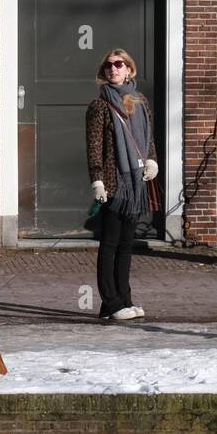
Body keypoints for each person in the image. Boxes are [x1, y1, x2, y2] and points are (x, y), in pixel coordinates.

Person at [85, 48, 157, 321]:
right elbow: (93, 147)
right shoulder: (99, 106)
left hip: (136, 182)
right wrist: (98, 180)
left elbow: (149, 139)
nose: (113, 69)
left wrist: (152, 161)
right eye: (108, 66)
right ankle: (112, 302)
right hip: (115, 183)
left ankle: (122, 299)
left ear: (129, 69)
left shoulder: (141, 101)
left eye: (119, 64)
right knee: (111, 243)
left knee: (127, 244)